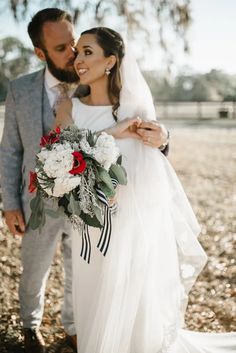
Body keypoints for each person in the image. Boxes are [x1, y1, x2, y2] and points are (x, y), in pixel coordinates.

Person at [55, 27, 236, 353]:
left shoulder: (134, 109)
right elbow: (65, 158)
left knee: (129, 297)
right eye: (77, 52)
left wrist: (163, 137)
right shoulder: (68, 107)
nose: (77, 59)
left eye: (87, 52)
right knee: (92, 293)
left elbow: (153, 159)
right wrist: (113, 132)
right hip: (87, 224)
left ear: (111, 61)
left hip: (129, 222)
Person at [0, 8, 169, 353]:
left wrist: (164, 138)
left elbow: (140, 132)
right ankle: (30, 326)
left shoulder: (90, 79)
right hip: (38, 202)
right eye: (61, 48)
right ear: (40, 52)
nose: (73, 55)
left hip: (92, 205)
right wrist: (10, 203)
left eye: (75, 45)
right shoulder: (21, 90)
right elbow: (10, 150)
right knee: (33, 269)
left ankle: (76, 328)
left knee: (83, 270)